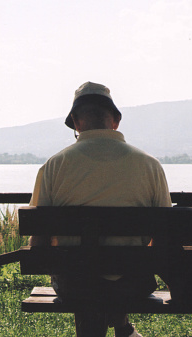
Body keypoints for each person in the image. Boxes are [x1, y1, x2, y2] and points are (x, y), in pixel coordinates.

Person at [29, 81, 172, 337]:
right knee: (110, 274)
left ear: (76, 121)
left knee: (83, 272)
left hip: (76, 285)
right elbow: (165, 235)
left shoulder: (53, 166)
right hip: (133, 283)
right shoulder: (150, 165)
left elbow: (38, 240)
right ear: (115, 121)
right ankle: (123, 327)